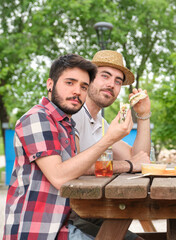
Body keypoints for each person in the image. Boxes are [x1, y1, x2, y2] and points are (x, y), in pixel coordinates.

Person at [3, 54, 134, 239]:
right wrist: (109, 139)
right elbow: (58, 176)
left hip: (68, 218)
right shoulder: (37, 118)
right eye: (70, 83)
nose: (77, 91)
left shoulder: (67, 125)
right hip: (41, 228)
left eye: (83, 86)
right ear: (50, 84)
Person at [70, 50, 151, 240]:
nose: (111, 84)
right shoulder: (74, 113)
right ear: (89, 78)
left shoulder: (100, 122)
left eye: (117, 81)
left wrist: (144, 115)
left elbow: (139, 157)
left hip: (86, 211)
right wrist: (128, 165)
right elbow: (74, 166)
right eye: (105, 76)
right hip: (64, 216)